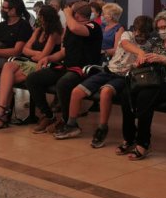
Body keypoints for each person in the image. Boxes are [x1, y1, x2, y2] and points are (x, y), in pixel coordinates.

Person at [52, 15, 153, 144]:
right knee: (77, 91)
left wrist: (142, 59)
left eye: (143, 34)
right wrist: (140, 52)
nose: (139, 36)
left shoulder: (149, 46)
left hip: (124, 77)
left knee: (105, 92)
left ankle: (102, 128)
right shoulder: (127, 35)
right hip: (108, 70)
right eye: (137, 32)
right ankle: (71, 125)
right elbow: (126, 45)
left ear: (148, 33)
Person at [118, 11, 166, 160]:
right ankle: (129, 137)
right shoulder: (156, 42)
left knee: (145, 97)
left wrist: (165, 59)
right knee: (126, 95)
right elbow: (145, 56)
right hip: (152, 79)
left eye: (164, 27)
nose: (161, 31)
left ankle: (143, 143)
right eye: (159, 28)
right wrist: (141, 61)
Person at [26, 1, 102, 133]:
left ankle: (69, 122)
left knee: (63, 83)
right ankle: (48, 115)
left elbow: (75, 28)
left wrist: (67, 13)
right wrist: (48, 58)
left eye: (71, 12)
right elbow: (63, 52)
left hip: (85, 69)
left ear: (75, 14)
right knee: (33, 79)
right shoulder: (70, 28)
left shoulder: (93, 26)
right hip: (67, 66)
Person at [0, 5, 63, 130]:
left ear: (45, 18)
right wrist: (36, 54)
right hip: (30, 62)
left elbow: (43, 56)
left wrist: (36, 54)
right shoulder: (38, 30)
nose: (38, 17)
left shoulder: (54, 33)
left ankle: (2, 114)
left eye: (40, 16)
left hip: (43, 65)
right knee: (8, 66)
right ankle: (3, 111)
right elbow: (25, 49)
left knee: (7, 81)